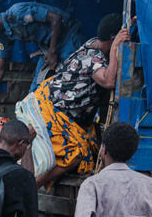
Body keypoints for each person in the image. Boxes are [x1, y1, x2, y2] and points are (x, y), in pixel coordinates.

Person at [22, 14, 130, 187]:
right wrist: (117, 46)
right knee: (74, 155)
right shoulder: (92, 58)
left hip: (73, 116)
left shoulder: (94, 43)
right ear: (112, 38)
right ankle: (34, 185)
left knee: (92, 150)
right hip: (55, 111)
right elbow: (109, 81)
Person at [0, 3, 82, 111]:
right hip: (48, 47)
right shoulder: (4, 38)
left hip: (67, 37)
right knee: (34, 94)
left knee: (73, 80)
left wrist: (52, 51)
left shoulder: (18, 12)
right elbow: (0, 68)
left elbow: (56, 18)